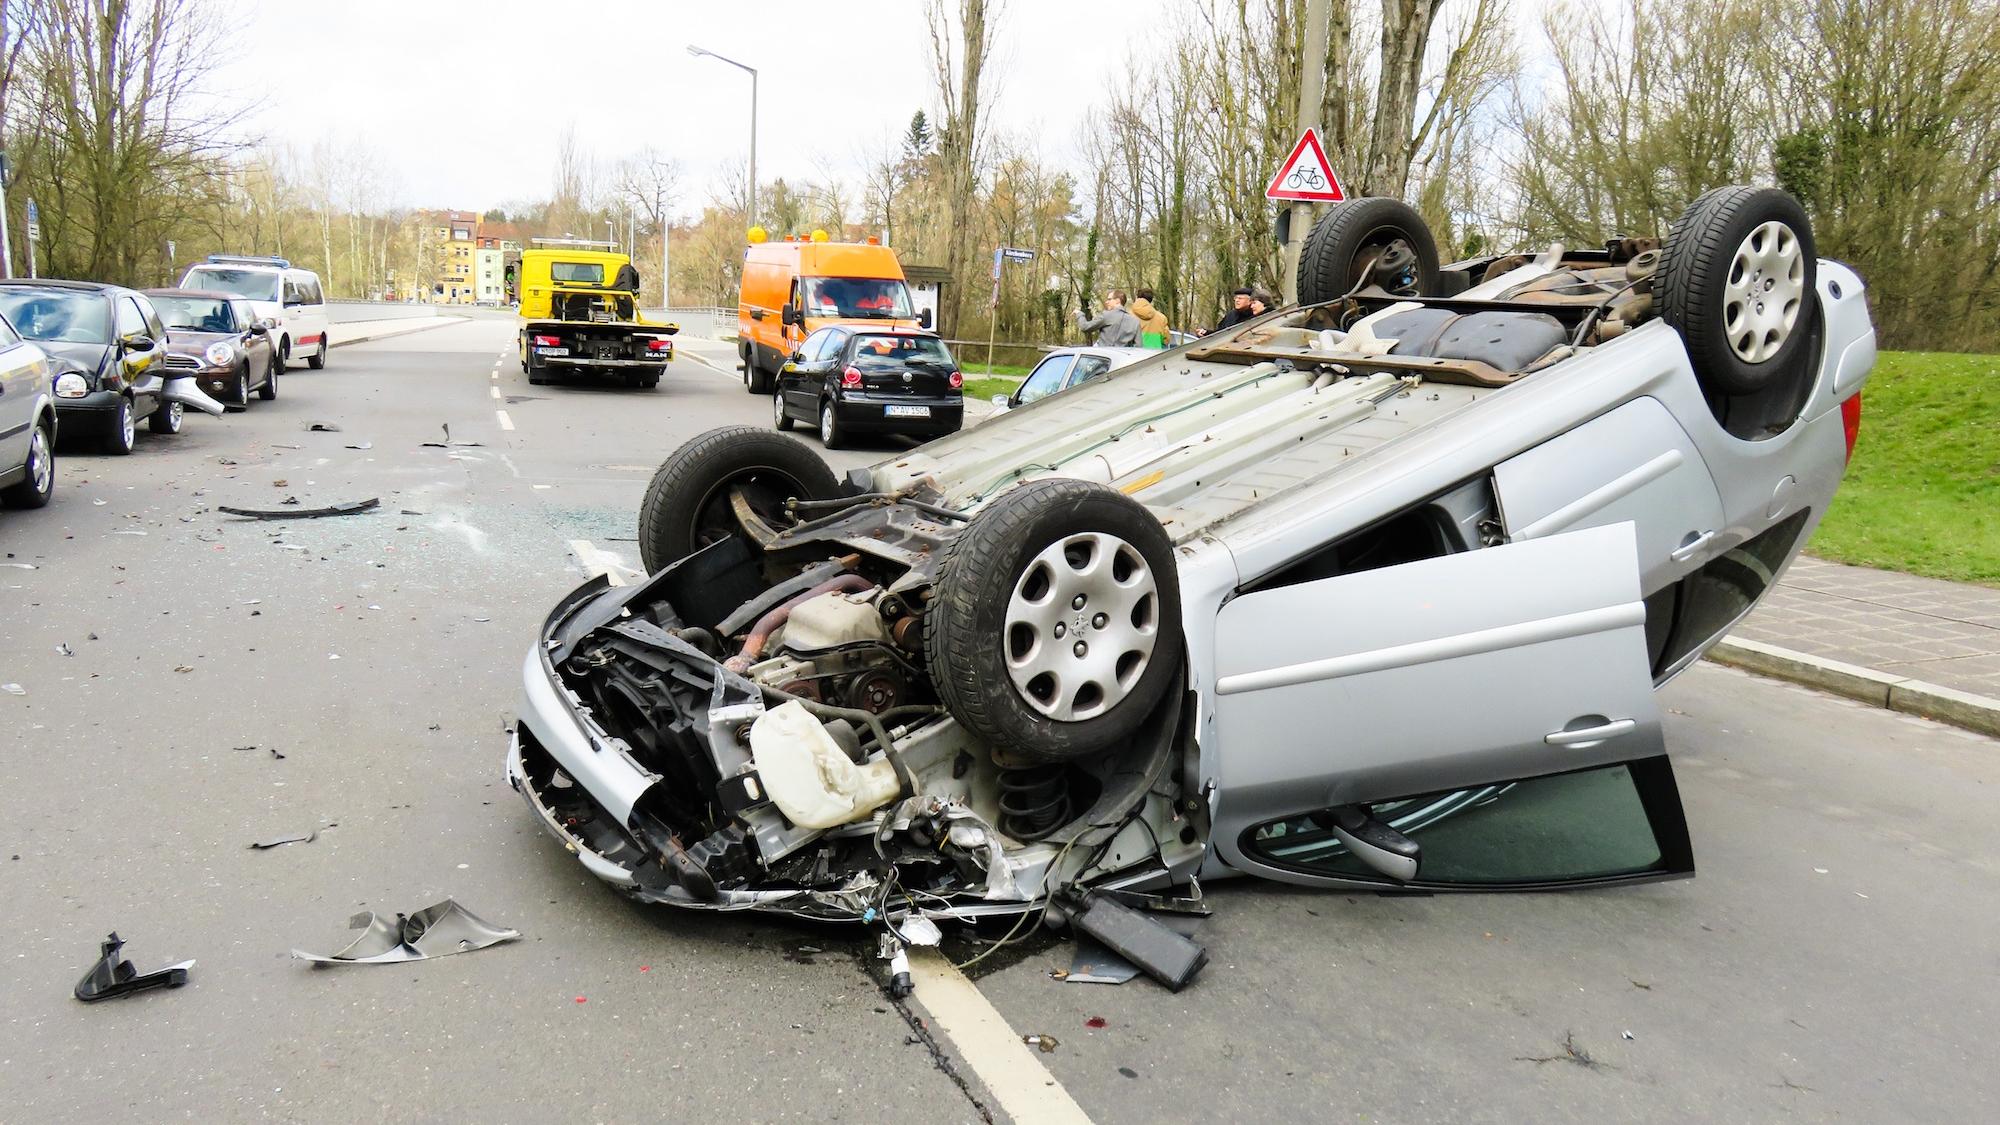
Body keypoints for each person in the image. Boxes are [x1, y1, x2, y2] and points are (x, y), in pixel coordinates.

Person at [1076, 289, 1141, 347]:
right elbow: (1138, 347)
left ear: (1117, 301)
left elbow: (1084, 327)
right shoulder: (1135, 322)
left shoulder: (1106, 315)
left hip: (1103, 357)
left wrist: (1079, 314)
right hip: (1123, 359)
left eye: (1109, 299)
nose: (1106, 302)